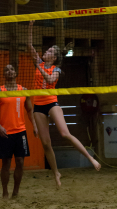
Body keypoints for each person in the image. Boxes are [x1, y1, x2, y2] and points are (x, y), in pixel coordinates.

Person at [27, 20, 101, 188]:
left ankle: (91, 159)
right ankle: (56, 173)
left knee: (64, 133)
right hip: (38, 106)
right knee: (45, 143)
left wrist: (39, 67)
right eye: (47, 49)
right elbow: (29, 45)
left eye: (50, 51)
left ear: (54, 57)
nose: (46, 51)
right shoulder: (39, 62)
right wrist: (31, 27)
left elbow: (49, 79)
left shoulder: (56, 70)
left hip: (52, 103)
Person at [0, 64, 38, 198]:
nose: (9, 71)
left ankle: (15, 192)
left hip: (20, 132)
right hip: (5, 132)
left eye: (11, 69)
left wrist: (34, 126)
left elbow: (29, 110)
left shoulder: (23, 90)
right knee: (5, 163)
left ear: (16, 73)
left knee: (20, 162)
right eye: (6, 69)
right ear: (4, 74)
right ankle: (5, 191)